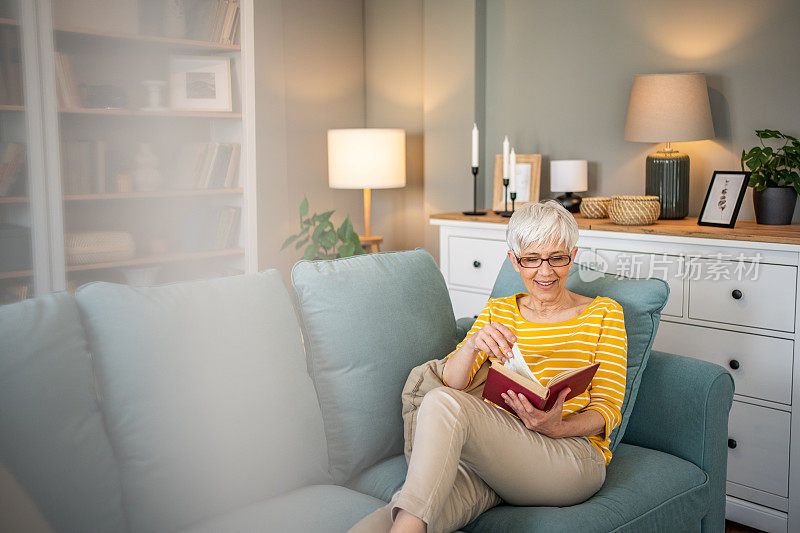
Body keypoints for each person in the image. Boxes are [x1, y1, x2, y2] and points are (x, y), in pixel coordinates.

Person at [350, 200, 628, 533]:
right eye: (532, 259)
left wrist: (557, 428)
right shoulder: (500, 310)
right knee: (400, 511)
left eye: (557, 258)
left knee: (441, 404)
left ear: (573, 255)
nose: (545, 271)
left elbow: (609, 409)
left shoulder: (604, 313)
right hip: (502, 455)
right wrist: (471, 343)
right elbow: (454, 382)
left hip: (571, 458)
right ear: (514, 261)